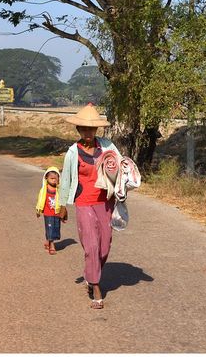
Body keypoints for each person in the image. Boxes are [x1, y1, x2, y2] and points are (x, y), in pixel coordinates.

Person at [58, 103, 121, 309]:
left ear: (96, 130)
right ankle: (95, 286)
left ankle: (90, 273)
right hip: (84, 202)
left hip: (105, 202)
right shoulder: (72, 152)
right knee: (91, 245)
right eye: (84, 129)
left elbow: (120, 166)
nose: (87, 132)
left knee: (104, 246)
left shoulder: (108, 147)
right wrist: (62, 204)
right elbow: (66, 179)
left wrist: (122, 187)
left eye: (91, 129)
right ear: (78, 129)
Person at [35, 166, 67, 254]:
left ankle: (48, 241)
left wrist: (64, 214)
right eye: (51, 178)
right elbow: (40, 200)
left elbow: (62, 202)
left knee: (56, 228)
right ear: (46, 178)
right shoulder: (44, 190)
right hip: (48, 213)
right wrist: (38, 211)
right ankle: (52, 245)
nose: (53, 180)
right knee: (49, 228)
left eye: (55, 179)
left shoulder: (59, 190)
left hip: (56, 212)